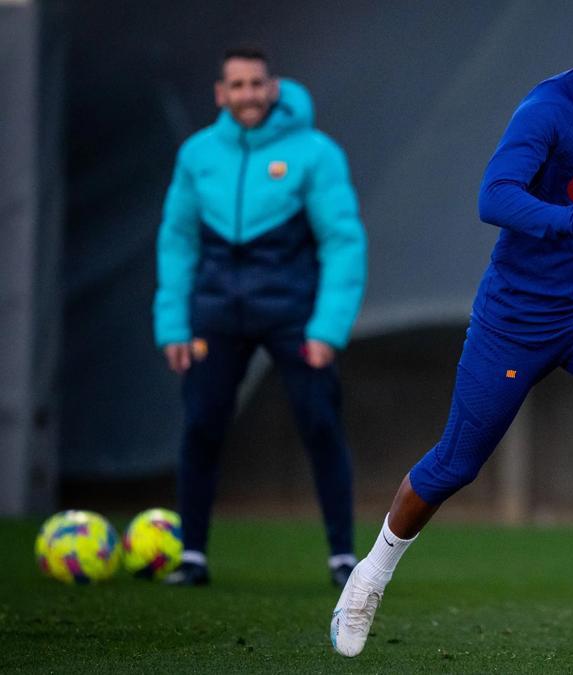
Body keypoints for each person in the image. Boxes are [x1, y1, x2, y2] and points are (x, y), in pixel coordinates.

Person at [329, 0, 573, 667]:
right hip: (516, 318)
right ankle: (369, 576)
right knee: (457, 462)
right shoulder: (544, 110)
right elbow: (495, 196)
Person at [153, 47, 367, 588]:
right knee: (201, 425)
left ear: (272, 88)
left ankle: (344, 557)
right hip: (215, 311)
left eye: (256, 84)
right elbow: (176, 242)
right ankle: (192, 556)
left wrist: (327, 327)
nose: (247, 94)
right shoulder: (197, 153)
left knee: (320, 423)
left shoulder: (315, 153)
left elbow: (343, 242)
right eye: (236, 85)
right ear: (220, 94)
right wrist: (174, 324)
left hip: (291, 311)